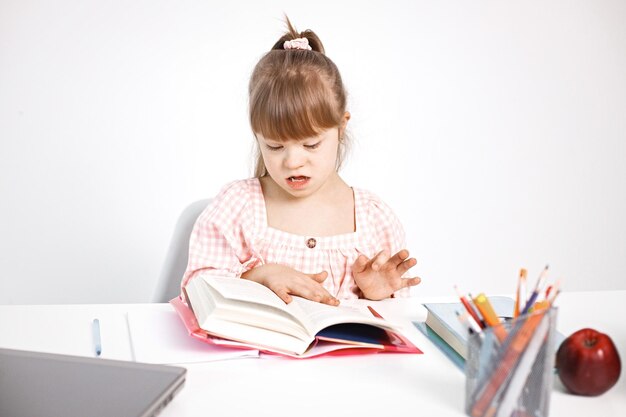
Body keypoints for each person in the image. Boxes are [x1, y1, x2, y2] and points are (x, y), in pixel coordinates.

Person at [181, 18, 421, 306]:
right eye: (275, 146)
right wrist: (259, 276)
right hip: (253, 351)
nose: (293, 162)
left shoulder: (374, 220)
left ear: (341, 127)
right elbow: (196, 293)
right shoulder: (237, 207)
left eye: (311, 144)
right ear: (257, 136)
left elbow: (400, 321)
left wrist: (378, 294)